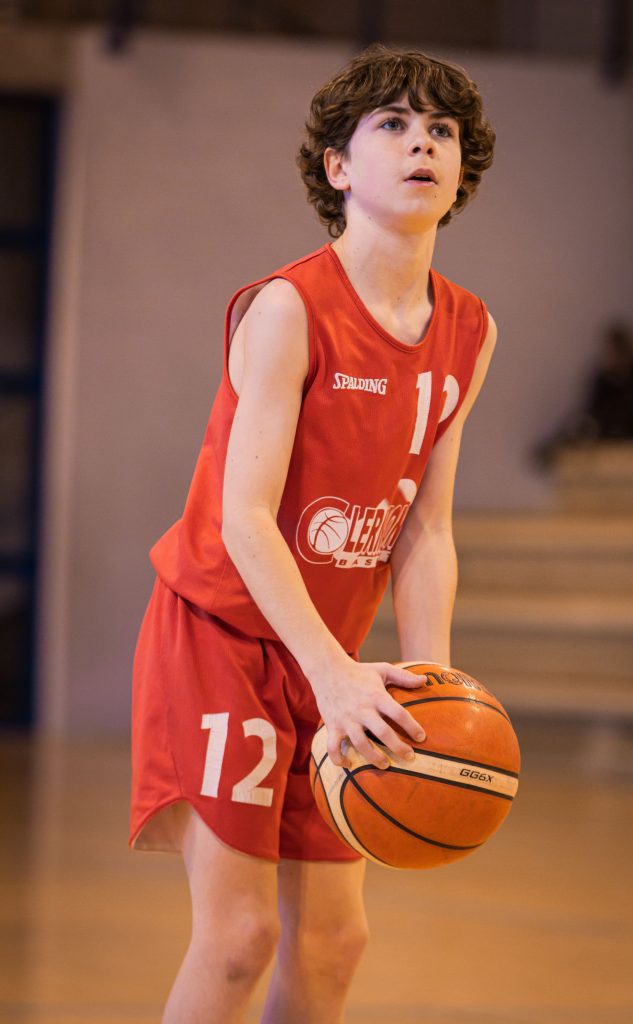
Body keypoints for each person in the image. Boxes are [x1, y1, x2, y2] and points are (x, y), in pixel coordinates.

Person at [129, 42, 497, 1024]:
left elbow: (425, 528)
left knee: (335, 942)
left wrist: (432, 684)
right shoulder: (289, 307)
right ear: (337, 166)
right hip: (223, 636)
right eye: (393, 125)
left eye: (441, 130)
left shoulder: (469, 330)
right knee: (239, 937)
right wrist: (330, 672)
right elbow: (244, 518)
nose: (422, 143)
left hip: (329, 656)